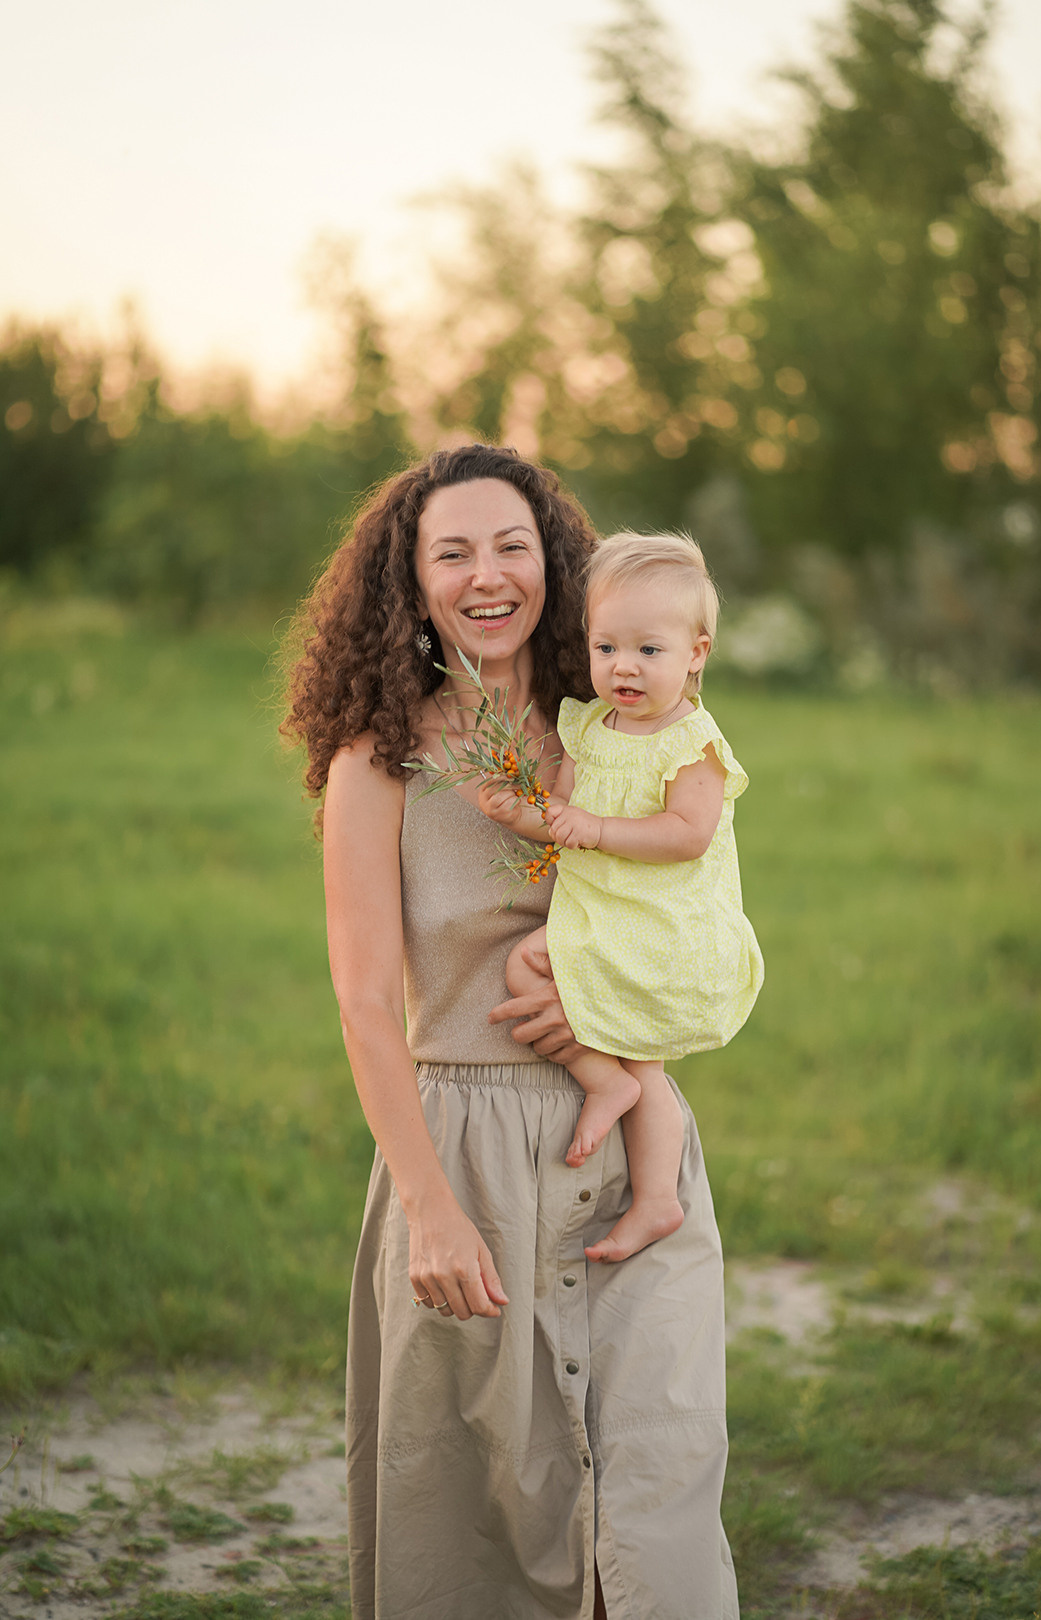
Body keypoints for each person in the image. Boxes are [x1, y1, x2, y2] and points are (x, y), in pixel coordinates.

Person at [282, 444, 740, 1620]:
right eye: (453, 552)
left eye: (512, 546)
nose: (487, 576)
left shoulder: (618, 728)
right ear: (412, 581)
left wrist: (652, 1084)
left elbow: (687, 918)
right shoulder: (378, 762)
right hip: (465, 1154)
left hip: (631, 1136)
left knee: (658, 1497)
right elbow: (366, 1000)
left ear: (557, 565)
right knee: (477, 1522)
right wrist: (428, 1203)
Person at [477, 532, 764, 1266]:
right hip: (601, 916)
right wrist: (522, 814)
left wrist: (597, 829)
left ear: (696, 654)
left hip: (662, 925)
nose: (623, 668)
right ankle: (606, 1091)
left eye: (649, 651)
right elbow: (563, 813)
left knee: (649, 1064)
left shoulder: (691, 743)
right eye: (607, 649)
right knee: (527, 969)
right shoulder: (586, 725)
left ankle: (654, 1192)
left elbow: (688, 834)